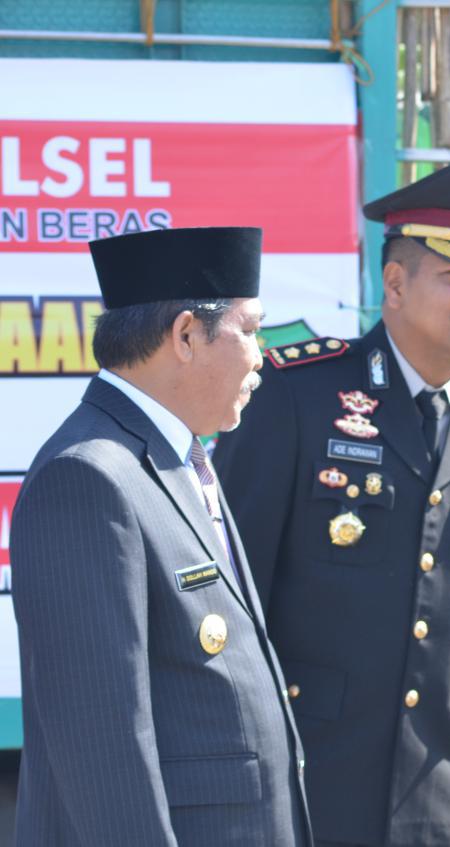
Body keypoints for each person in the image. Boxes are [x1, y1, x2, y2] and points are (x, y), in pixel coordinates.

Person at [214, 155, 450, 847]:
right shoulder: (299, 397)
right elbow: (233, 603)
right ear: (395, 283)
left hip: (443, 789)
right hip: (307, 774)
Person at [10, 226, 311, 845]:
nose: (263, 355)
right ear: (184, 336)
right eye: (250, 330)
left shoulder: (177, 457)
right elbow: (100, 739)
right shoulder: (90, 474)